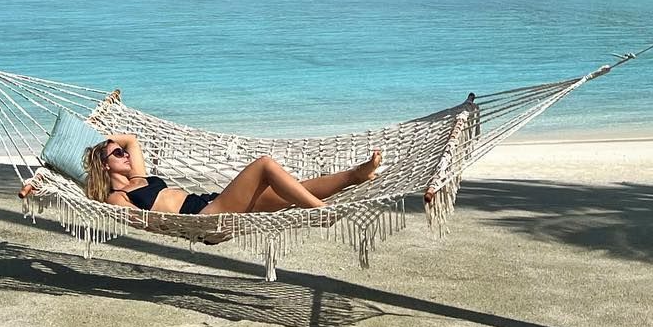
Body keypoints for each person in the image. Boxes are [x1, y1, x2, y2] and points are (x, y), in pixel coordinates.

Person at [23, 131, 383, 217]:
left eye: (123, 152)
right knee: (264, 165)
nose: (126, 154)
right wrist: (43, 185)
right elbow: (143, 222)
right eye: (117, 155)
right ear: (105, 165)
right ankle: (321, 212)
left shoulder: (139, 179)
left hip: (211, 202)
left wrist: (104, 144)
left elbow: (131, 139)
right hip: (202, 217)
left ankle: (356, 175)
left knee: (292, 189)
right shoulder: (119, 196)